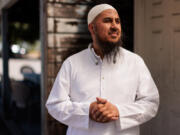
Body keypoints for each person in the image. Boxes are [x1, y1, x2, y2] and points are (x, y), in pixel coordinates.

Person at [46, 4, 159, 135]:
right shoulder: (72, 63)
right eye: (107, 21)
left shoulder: (135, 62)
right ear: (92, 28)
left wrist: (118, 111)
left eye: (117, 21)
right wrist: (87, 110)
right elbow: (55, 105)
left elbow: (151, 103)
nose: (115, 26)